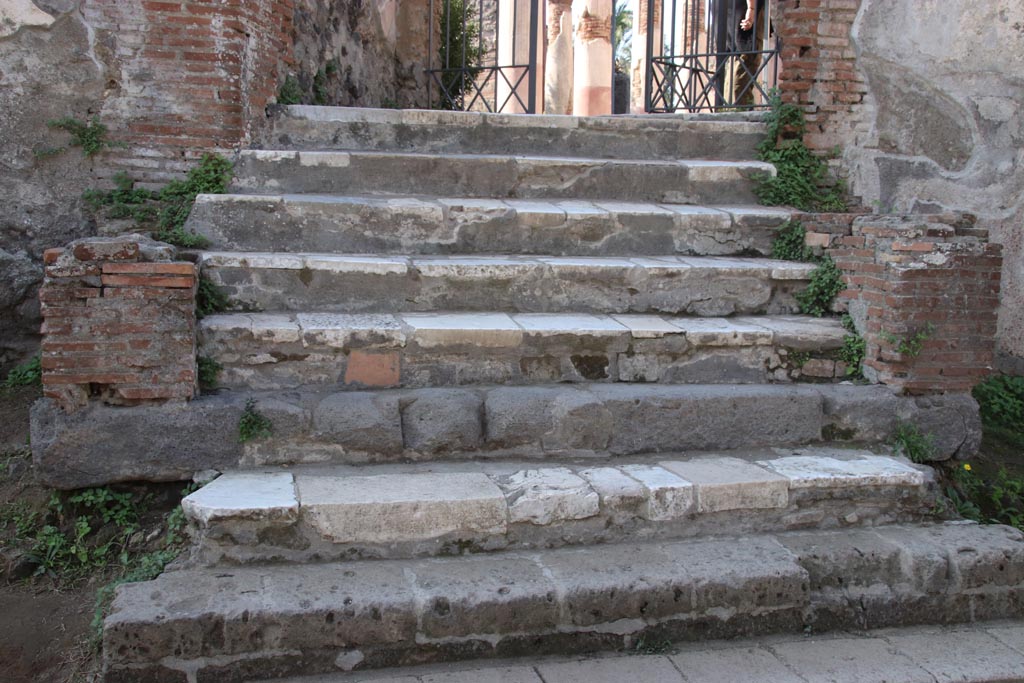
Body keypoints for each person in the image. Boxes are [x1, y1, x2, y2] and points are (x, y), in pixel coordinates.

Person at [725, 0, 767, 107]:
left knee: (737, 86)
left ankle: (740, 117)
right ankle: (732, 117)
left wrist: (751, 10)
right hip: (731, 37)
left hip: (745, 33)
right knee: (728, 89)